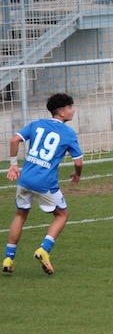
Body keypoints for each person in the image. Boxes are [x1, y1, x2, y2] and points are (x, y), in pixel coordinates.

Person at [3, 93, 84, 276]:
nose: (73, 110)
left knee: (20, 215)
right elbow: (78, 162)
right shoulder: (68, 133)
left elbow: (15, 140)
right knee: (62, 215)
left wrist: (14, 164)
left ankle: (8, 258)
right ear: (62, 112)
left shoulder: (36, 124)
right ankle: (44, 249)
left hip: (25, 179)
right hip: (45, 183)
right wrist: (77, 175)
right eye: (70, 107)